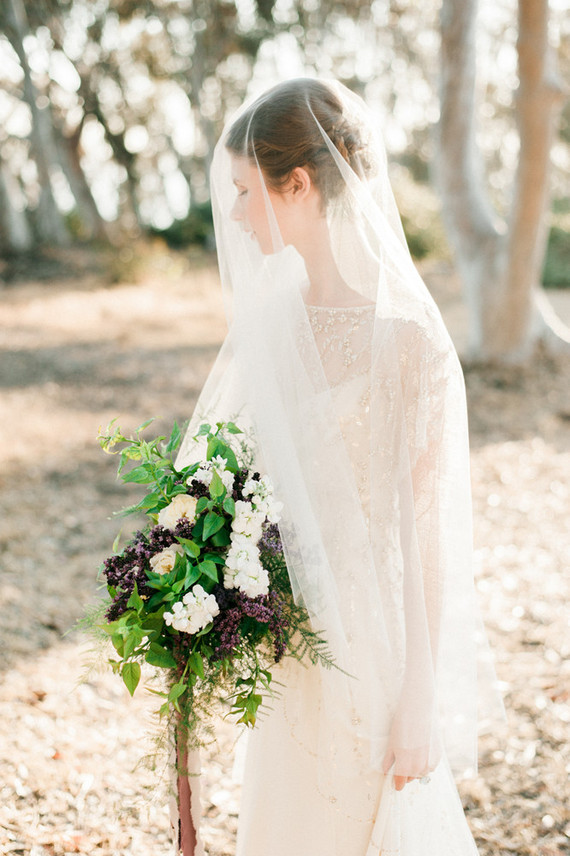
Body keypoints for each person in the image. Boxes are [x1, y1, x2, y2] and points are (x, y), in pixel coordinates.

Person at [175, 77, 503, 856]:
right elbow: (232, 491)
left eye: (247, 192)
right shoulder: (270, 331)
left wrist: (417, 699)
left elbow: (422, 536)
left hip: (372, 651)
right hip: (291, 650)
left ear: (298, 184)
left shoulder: (407, 342)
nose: (238, 217)